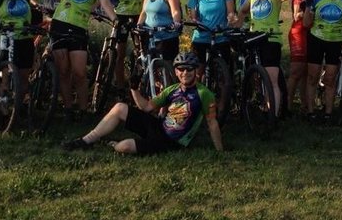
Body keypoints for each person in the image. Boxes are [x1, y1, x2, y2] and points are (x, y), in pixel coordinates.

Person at [61, 52, 223, 153]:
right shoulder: (172, 89)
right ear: (176, 71)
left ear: (196, 71)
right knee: (119, 108)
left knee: (124, 147)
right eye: (181, 69)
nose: (185, 73)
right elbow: (146, 107)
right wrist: (134, 89)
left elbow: (212, 123)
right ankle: (86, 141)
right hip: (159, 126)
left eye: (189, 69)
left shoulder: (204, 94)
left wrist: (220, 152)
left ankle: (112, 144)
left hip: (171, 142)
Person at [235, 0, 296, 116]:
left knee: (272, 80)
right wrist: (237, 26)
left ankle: (272, 115)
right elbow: (242, 11)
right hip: (254, 39)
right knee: (254, 76)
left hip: (271, 40)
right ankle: (257, 103)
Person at [302, 0, 342, 121]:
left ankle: (328, 113)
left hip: (335, 42)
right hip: (316, 40)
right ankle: (311, 111)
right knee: (312, 77)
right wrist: (309, 8)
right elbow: (305, 24)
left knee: (330, 79)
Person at [186, 0, 236, 73]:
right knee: (198, 72)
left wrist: (230, 21)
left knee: (224, 73)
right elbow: (193, 17)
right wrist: (195, 22)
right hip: (201, 37)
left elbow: (231, 13)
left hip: (220, 36)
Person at [287, 0, 323, 115]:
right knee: (297, 70)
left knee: (310, 71)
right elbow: (296, 15)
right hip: (300, 32)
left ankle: (305, 104)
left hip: (316, 33)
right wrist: (312, 11)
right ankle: (286, 105)